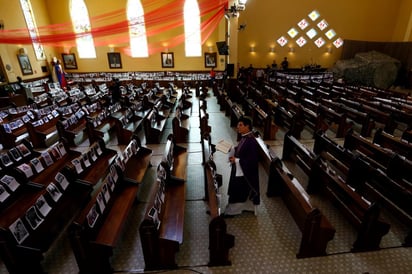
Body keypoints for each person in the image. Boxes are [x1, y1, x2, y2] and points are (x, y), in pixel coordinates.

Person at [224, 116, 260, 217]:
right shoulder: (245, 136)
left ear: (247, 126)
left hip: (245, 173)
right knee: (238, 190)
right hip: (240, 169)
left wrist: (236, 160)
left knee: (239, 190)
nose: (237, 127)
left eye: (240, 125)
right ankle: (244, 208)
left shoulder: (251, 141)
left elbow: (252, 161)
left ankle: (232, 211)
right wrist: (232, 149)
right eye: (238, 125)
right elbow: (241, 149)